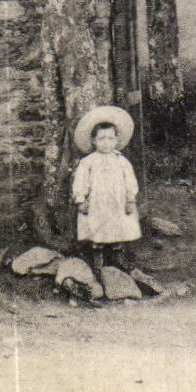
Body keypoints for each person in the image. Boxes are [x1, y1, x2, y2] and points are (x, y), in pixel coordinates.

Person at [72, 105, 141, 272]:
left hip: (117, 202)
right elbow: (80, 182)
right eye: (101, 138)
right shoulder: (88, 161)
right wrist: (80, 199)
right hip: (98, 203)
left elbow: (130, 181)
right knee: (97, 228)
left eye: (110, 138)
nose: (106, 143)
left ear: (116, 141)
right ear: (94, 141)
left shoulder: (121, 161)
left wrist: (131, 199)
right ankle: (98, 258)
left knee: (119, 227)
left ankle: (117, 257)